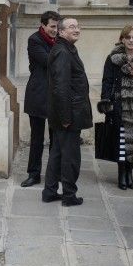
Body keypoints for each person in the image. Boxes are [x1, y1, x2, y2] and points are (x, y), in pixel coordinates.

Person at [43, 18, 93, 206]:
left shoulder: (66, 48)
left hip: (66, 113)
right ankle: (69, 195)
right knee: (70, 157)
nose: (77, 29)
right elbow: (60, 87)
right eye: (72, 27)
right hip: (68, 115)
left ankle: (49, 191)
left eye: (78, 26)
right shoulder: (63, 52)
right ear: (61, 32)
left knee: (57, 153)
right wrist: (65, 117)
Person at [101, 25, 133, 190]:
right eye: (127, 37)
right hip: (119, 106)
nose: (131, 40)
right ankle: (122, 174)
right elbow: (107, 81)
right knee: (121, 142)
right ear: (122, 39)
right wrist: (106, 101)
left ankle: (130, 174)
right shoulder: (113, 58)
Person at [21, 11, 60, 188]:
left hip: (56, 95)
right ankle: (34, 174)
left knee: (55, 137)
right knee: (37, 138)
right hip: (38, 94)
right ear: (43, 25)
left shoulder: (60, 40)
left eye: (57, 27)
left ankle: (53, 173)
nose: (55, 30)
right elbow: (49, 61)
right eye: (52, 26)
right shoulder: (34, 40)